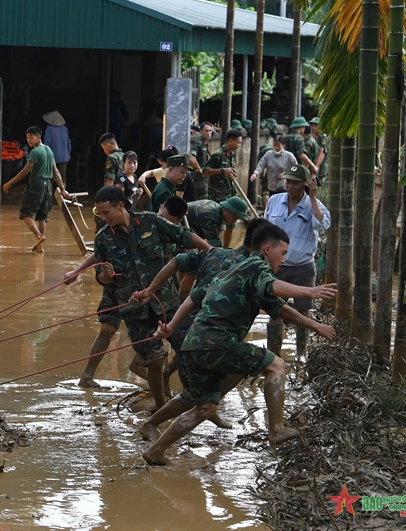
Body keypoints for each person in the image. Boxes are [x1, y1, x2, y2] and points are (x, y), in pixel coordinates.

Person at [140, 224, 337, 465]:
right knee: (275, 365)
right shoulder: (257, 266)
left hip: (193, 344)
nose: (284, 260)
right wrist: (310, 291)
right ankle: (276, 429)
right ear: (267, 249)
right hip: (217, 342)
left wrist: (171, 326)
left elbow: (196, 296)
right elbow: (272, 287)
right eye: (283, 253)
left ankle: (155, 450)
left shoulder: (235, 270)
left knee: (204, 407)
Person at [132, 218, 275, 439]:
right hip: (208, 337)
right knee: (196, 395)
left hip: (200, 335)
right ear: (266, 245)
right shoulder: (252, 270)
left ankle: (202, 408)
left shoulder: (215, 253)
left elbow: (177, 262)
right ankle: (161, 423)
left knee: (212, 384)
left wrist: (150, 290)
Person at [93, 186, 210, 409]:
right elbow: (101, 278)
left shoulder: (150, 222)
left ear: (120, 205)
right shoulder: (103, 238)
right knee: (155, 359)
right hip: (134, 311)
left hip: (167, 303)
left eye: (107, 212)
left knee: (188, 349)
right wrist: (106, 275)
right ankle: (160, 406)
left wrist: (212, 252)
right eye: (101, 214)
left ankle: (197, 401)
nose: (104, 218)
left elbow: (185, 236)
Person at [67, 196, 189, 389]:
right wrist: (77, 272)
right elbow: (101, 253)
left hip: (147, 290)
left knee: (155, 332)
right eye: (163, 215)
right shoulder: (142, 220)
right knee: (108, 328)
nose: (164, 219)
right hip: (119, 285)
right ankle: (87, 376)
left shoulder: (164, 233)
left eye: (170, 220)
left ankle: (149, 371)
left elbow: (171, 264)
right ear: (159, 208)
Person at [263, 164, 331, 356]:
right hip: (277, 268)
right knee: (275, 312)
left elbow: (323, 225)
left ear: (305, 184)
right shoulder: (275, 201)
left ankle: (302, 354)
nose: (290, 185)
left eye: (295, 182)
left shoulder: (313, 205)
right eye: (288, 181)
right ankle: (273, 356)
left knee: (303, 312)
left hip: (303, 268)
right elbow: (265, 230)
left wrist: (313, 197)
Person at [3, 126, 70, 253]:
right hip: (48, 186)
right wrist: (62, 189)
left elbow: (25, 171)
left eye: (31, 137)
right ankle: (40, 247)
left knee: (26, 214)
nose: (29, 140)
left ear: (39, 137)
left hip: (36, 184)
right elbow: (56, 172)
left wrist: (9, 183)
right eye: (27, 137)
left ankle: (39, 236)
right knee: (41, 216)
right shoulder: (49, 150)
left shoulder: (35, 152)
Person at [202, 129, 243, 246]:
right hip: (218, 196)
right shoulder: (217, 155)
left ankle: (226, 249)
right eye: (238, 142)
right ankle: (211, 248)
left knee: (231, 225)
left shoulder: (232, 155)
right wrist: (222, 170)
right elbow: (205, 171)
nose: (239, 145)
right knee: (219, 226)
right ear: (230, 141)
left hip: (230, 194)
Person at [249, 137, 299, 208]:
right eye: (274, 145)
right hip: (271, 187)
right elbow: (261, 164)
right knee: (273, 206)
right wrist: (255, 173)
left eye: (278, 145)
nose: (276, 147)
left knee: (282, 205)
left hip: (284, 187)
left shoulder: (289, 156)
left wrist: (285, 174)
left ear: (283, 145)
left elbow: (295, 168)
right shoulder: (268, 155)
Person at [185, 196, 250, 247]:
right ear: (227, 210)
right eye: (234, 217)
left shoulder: (217, 208)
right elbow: (215, 249)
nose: (234, 221)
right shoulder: (210, 217)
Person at [42, 111, 72, 186]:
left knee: (50, 176)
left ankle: (50, 194)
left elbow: (47, 143)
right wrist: (68, 153)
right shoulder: (65, 129)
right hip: (64, 156)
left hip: (52, 156)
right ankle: (63, 193)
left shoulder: (49, 129)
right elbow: (69, 142)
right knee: (62, 176)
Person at [190, 123, 213, 200]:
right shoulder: (199, 143)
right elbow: (193, 156)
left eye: (210, 131)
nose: (208, 133)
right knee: (197, 196)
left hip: (204, 175)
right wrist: (199, 170)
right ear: (201, 131)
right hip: (198, 176)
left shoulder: (205, 143)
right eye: (206, 131)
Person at [310, 117, 329, 182]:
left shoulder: (323, 137)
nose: (313, 127)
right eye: (312, 125)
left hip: (321, 167)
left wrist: (316, 167)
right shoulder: (315, 137)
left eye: (315, 125)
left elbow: (322, 152)